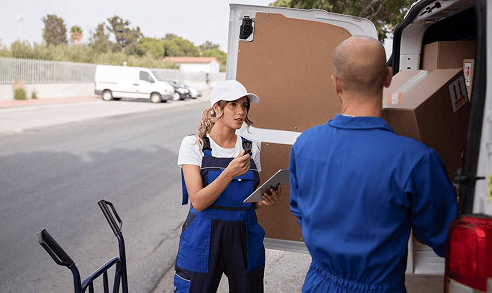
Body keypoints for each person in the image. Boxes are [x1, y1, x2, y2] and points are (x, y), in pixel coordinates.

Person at [288, 36, 458, 293]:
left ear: (335, 83)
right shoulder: (416, 159)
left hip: (317, 284)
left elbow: (300, 211)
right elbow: (446, 239)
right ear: (388, 77)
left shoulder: (304, 144)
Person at [174, 80, 281, 293]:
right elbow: (199, 201)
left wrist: (263, 200)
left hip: (244, 236)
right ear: (217, 108)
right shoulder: (193, 145)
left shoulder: (251, 149)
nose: (241, 111)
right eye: (233, 105)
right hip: (203, 236)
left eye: (245, 106)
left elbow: (245, 203)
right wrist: (229, 173)